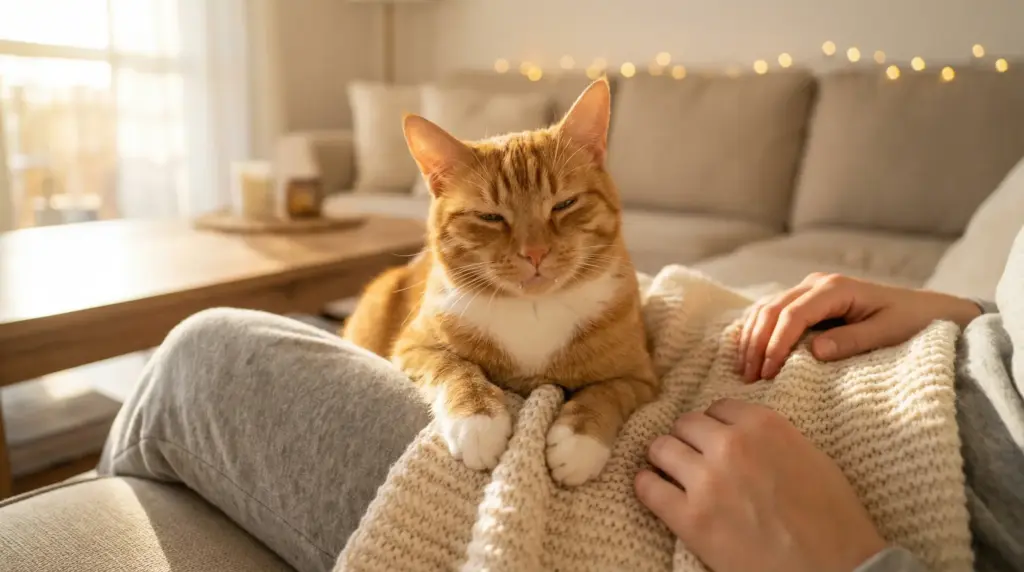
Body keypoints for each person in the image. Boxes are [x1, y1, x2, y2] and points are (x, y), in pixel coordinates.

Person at [98, 228, 1024, 572]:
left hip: (810, 496)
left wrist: (851, 567)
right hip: (900, 351)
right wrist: (976, 315)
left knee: (202, 358)